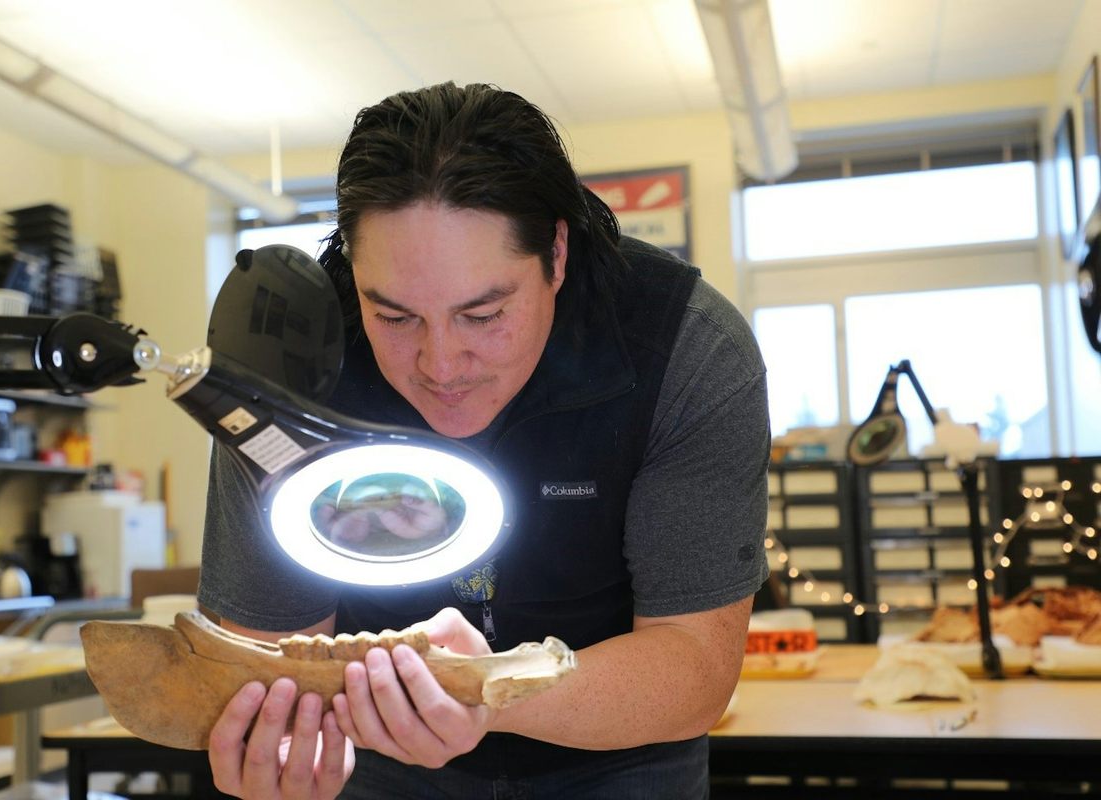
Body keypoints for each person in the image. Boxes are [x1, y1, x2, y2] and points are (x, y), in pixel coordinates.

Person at [198, 81, 770, 799]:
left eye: (483, 314)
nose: (440, 366)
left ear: (556, 255)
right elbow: (273, 653)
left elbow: (694, 669)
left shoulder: (684, 350)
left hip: (622, 748)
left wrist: (489, 686)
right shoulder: (287, 365)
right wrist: (279, 746)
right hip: (378, 750)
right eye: (395, 317)